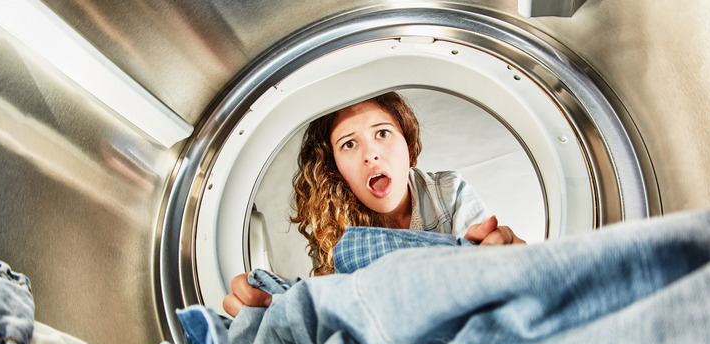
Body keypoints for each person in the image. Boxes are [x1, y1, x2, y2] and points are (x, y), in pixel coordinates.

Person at [223, 92, 525, 316]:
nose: (371, 155)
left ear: (407, 141)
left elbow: (490, 276)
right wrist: (272, 304)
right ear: (335, 168)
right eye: (349, 144)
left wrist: (509, 262)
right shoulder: (335, 229)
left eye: (382, 133)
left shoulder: (448, 191)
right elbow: (341, 313)